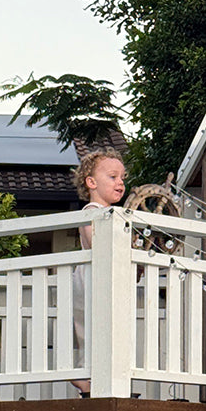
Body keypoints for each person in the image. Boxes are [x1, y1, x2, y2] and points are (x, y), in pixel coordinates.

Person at [70, 149, 127, 394]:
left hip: (105, 277)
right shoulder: (92, 210)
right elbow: (97, 242)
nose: (120, 182)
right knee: (91, 327)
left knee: (106, 328)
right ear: (91, 183)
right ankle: (84, 374)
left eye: (122, 177)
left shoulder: (114, 214)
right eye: (113, 177)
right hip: (92, 277)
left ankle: (95, 378)